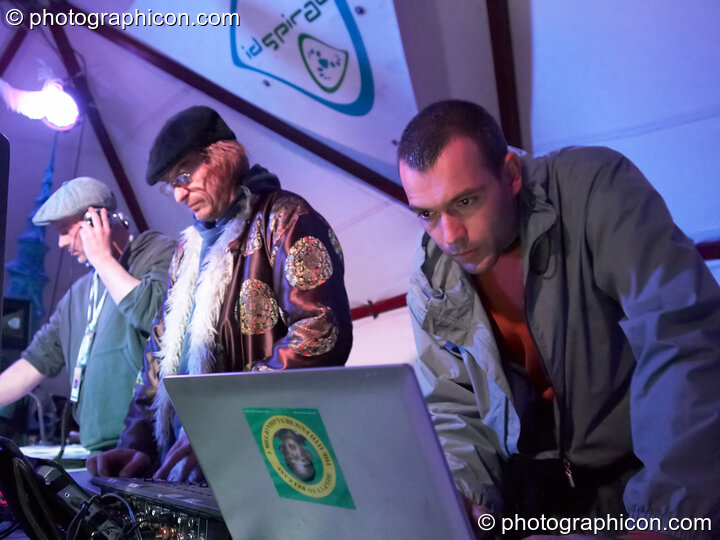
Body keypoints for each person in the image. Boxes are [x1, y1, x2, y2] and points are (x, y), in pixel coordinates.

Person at [397, 100, 720, 539]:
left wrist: (665, 518)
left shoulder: (596, 191)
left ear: (510, 175)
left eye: (466, 201)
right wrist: (462, 495)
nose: (450, 235)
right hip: (538, 502)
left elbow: (681, 342)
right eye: (428, 214)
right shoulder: (429, 277)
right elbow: (453, 405)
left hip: (653, 481)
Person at [88, 106, 353, 482]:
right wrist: (136, 444)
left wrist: (226, 420)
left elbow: (321, 331)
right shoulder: (185, 251)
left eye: (184, 175)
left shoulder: (286, 219)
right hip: (182, 473)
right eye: (170, 185)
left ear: (225, 156)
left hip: (263, 466)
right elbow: (159, 355)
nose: (179, 195)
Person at [0, 177, 176, 452]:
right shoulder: (78, 294)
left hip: (144, 449)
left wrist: (103, 259)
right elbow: (35, 361)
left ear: (96, 222)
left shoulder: (157, 251)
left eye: (66, 230)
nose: (59, 243)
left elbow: (153, 313)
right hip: (94, 450)